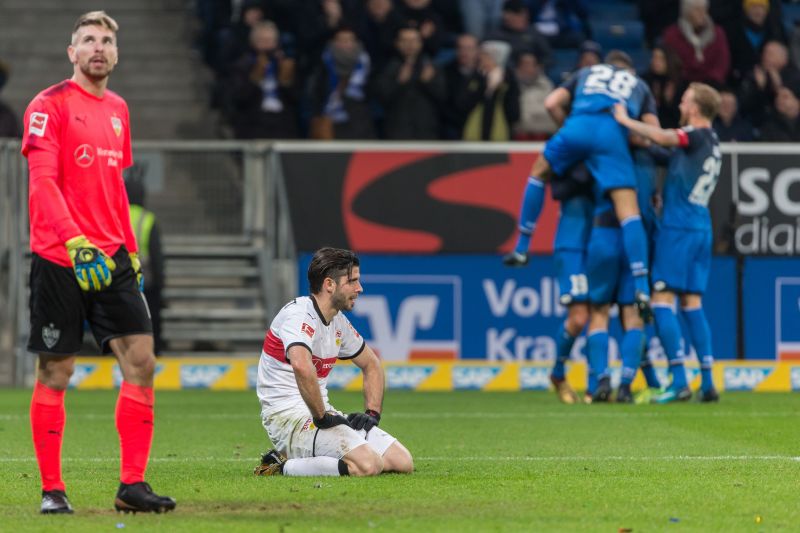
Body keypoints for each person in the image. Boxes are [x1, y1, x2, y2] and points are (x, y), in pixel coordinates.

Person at [20, 11, 175, 514]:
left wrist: (129, 246)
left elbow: (115, 192)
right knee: (56, 371)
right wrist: (74, 241)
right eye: (88, 39)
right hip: (61, 257)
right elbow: (42, 184)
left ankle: (132, 486)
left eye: (106, 40)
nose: (98, 47)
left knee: (142, 363)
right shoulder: (48, 106)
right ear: (72, 52)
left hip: (111, 257)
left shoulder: (119, 109)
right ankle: (52, 490)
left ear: (116, 53)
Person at [503, 50, 659, 320]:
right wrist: (626, 134)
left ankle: (521, 246)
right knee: (628, 212)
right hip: (612, 134)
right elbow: (651, 135)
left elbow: (551, 103)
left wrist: (573, 136)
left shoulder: (587, 72)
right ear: (630, 70)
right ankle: (642, 287)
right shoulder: (639, 85)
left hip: (577, 125)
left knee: (539, 171)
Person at [254, 247, 414, 477]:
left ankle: (318, 457)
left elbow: (372, 365)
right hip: (288, 420)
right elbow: (301, 364)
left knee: (401, 462)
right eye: (353, 281)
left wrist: (372, 414)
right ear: (330, 285)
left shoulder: (337, 322)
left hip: (321, 415)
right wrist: (322, 417)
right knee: (369, 465)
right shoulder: (298, 315)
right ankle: (279, 466)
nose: (360, 288)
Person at [613, 82, 723, 403]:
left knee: (662, 300)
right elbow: (672, 156)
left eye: (685, 98)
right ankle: (707, 380)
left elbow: (664, 137)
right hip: (701, 226)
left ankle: (678, 380)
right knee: (692, 303)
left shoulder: (697, 133)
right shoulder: (714, 142)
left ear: (696, 107)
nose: (680, 102)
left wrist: (625, 120)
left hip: (678, 229)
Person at [375, 26, 446, 139]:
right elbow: (381, 99)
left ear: (420, 43)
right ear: (397, 43)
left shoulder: (431, 67)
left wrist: (428, 83)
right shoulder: (388, 67)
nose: (410, 44)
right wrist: (399, 82)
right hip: (397, 133)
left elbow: (443, 98)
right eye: (405, 40)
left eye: (413, 40)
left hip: (427, 132)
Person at [125, 178, 165, 355]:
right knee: (150, 321)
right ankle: (152, 352)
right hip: (146, 282)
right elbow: (156, 255)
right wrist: (160, 283)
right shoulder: (147, 219)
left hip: (121, 281)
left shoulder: (117, 215)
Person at [660, 0, 730, 86]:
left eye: (704, 9)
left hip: (712, 84)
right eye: (697, 10)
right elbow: (673, 65)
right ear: (687, 12)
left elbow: (722, 64)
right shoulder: (672, 35)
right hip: (682, 85)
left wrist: (710, 82)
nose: (702, 13)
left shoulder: (718, 33)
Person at [462, 40, 520, 140]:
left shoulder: (509, 80)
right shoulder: (475, 77)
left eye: (486, 56)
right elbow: (463, 105)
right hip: (474, 132)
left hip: (499, 133)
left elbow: (514, 113)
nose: (481, 59)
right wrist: (482, 85)